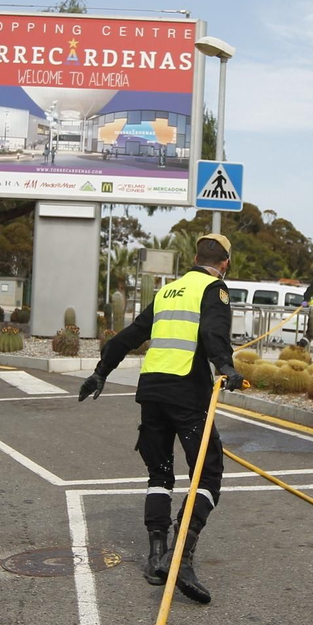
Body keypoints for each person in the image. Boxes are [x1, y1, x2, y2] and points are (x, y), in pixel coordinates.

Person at [78, 232, 242, 604]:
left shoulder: (169, 291)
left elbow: (133, 333)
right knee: (208, 472)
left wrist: (101, 371)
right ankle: (180, 557)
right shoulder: (214, 289)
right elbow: (213, 332)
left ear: (195, 255)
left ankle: (155, 558)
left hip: (152, 392)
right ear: (224, 264)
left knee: (160, 473)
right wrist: (225, 366)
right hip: (186, 394)